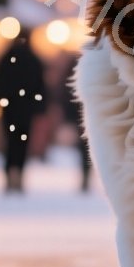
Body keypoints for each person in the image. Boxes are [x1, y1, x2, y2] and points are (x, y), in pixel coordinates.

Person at [0, 30, 46, 193]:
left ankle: (9, 174)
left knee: (10, 141)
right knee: (22, 143)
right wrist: (40, 108)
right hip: (26, 110)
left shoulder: (8, 58)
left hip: (10, 108)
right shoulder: (34, 60)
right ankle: (18, 174)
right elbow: (40, 87)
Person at [58, 51, 91, 193]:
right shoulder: (90, 76)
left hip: (78, 117)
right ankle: (86, 175)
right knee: (87, 148)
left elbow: (64, 97)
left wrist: (68, 116)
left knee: (83, 147)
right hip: (88, 115)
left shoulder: (70, 77)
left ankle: (85, 175)